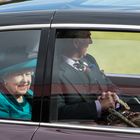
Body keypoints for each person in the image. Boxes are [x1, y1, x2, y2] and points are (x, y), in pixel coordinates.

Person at [52, 30, 123, 121]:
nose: (91, 41)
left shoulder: (90, 59)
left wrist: (114, 98)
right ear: (76, 43)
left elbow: (110, 86)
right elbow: (57, 112)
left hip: (111, 119)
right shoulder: (55, 72)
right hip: (85, 128)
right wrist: (98, 105)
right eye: (88, 37)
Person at [0, 56, 36, 120]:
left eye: (28, 74)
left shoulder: (30, 94)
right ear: (4, 78)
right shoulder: (1, 101)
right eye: (18, 74)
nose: (25, 80)